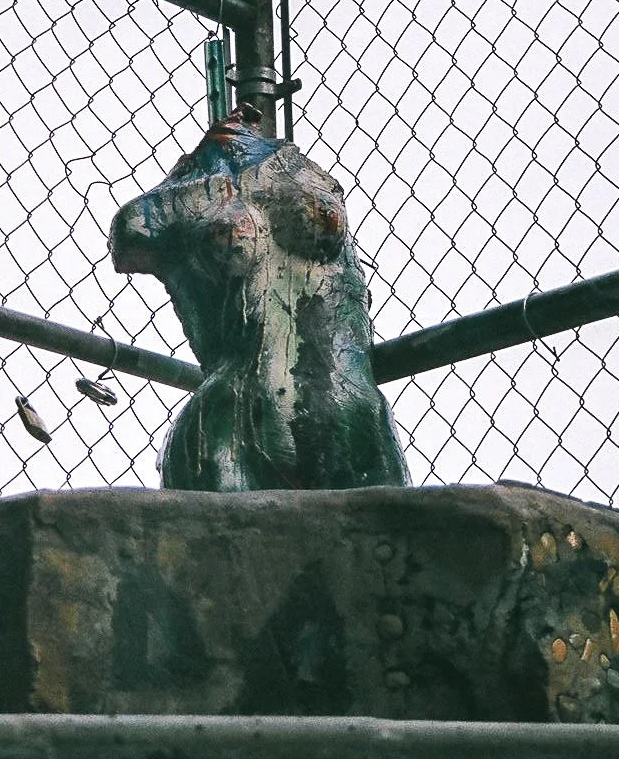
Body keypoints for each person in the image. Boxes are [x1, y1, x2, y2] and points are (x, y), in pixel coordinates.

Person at [110, 102, 409, 491]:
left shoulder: (297, 170)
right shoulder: (185, 195)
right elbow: (129, 233)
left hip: (354, 408)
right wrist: (197, 168)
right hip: (232, 421)